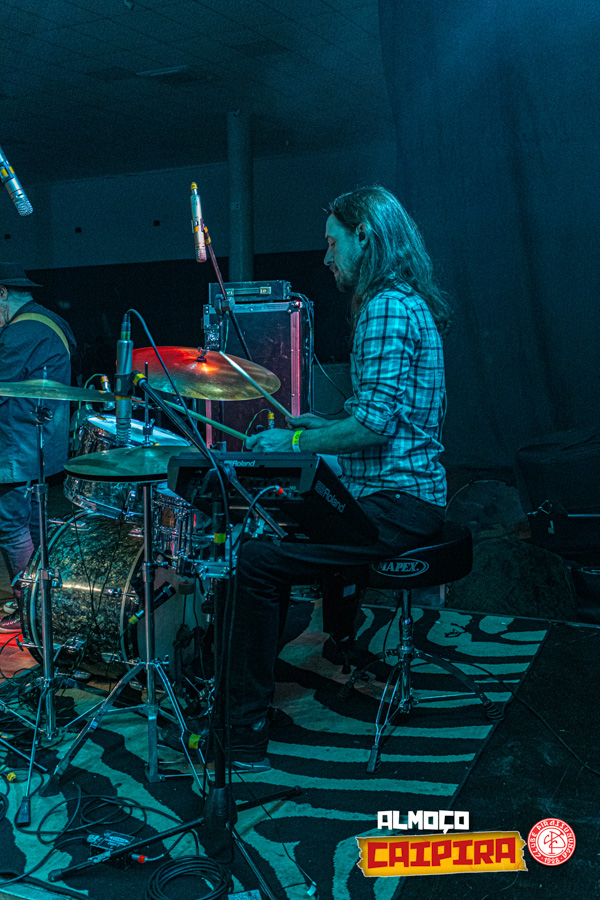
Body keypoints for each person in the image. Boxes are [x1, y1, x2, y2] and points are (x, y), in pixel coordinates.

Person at [166, 186, 452, 769]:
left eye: (332, 242)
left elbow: (374, 425)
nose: (326, 257)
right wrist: (322, 424)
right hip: (401, 495)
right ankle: (248, 691)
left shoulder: (385, 306)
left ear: (364, 235)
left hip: (397, 504)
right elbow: (383, 414)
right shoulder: (406, 301)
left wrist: (293, 441)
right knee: (276, 534)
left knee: (256, 558)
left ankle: (240, 732)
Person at [0, 263, 76, 632]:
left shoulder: (19, 333)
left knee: (11, 526)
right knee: (34, 525)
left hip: (16, 449)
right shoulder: (51, 321)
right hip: (43, 447)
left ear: (1, 294)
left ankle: (29, 609)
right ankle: (43, 605)